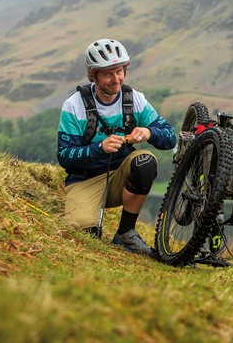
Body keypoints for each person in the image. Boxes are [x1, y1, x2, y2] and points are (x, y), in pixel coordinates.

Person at [57, 38, 176, 256]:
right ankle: (88, 220)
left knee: (145, 161)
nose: (116, 79)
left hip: (122, 178)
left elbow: (170, 137)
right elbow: (65, 156)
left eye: (120, 71)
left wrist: (150, 132)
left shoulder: (135, 100)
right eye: (108, 74)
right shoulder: (74, 105)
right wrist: (98, 148)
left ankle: (126, 233)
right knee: (83, 234)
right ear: (93, 75)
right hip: (85, 181)